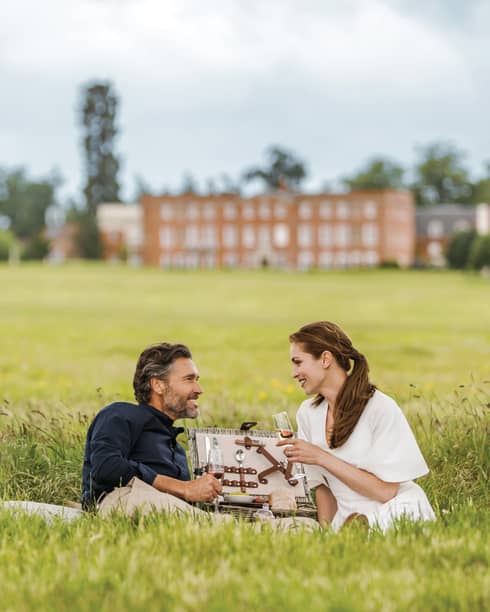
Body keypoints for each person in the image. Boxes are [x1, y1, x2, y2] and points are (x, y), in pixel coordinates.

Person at [277, 321, 435, 532]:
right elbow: (323, 489)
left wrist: (321, 457)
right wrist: (326, 533)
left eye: (298, 362)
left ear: (325, 359)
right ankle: (354, 531)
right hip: (347, 518)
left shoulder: (380, 408)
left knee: (385, 527)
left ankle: (366, 528)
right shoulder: (308, 414)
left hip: (395, 507)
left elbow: (385, 492)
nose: (294, 373)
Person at [81, 342, 223, 518]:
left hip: (167, 509)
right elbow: (107, 467)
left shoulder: (176, 449)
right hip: (120, 500)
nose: (199, 390)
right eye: (189, 379)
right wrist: (184, 488)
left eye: (197, 380)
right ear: (158, 385)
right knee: (217, 523)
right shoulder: (120, 414)